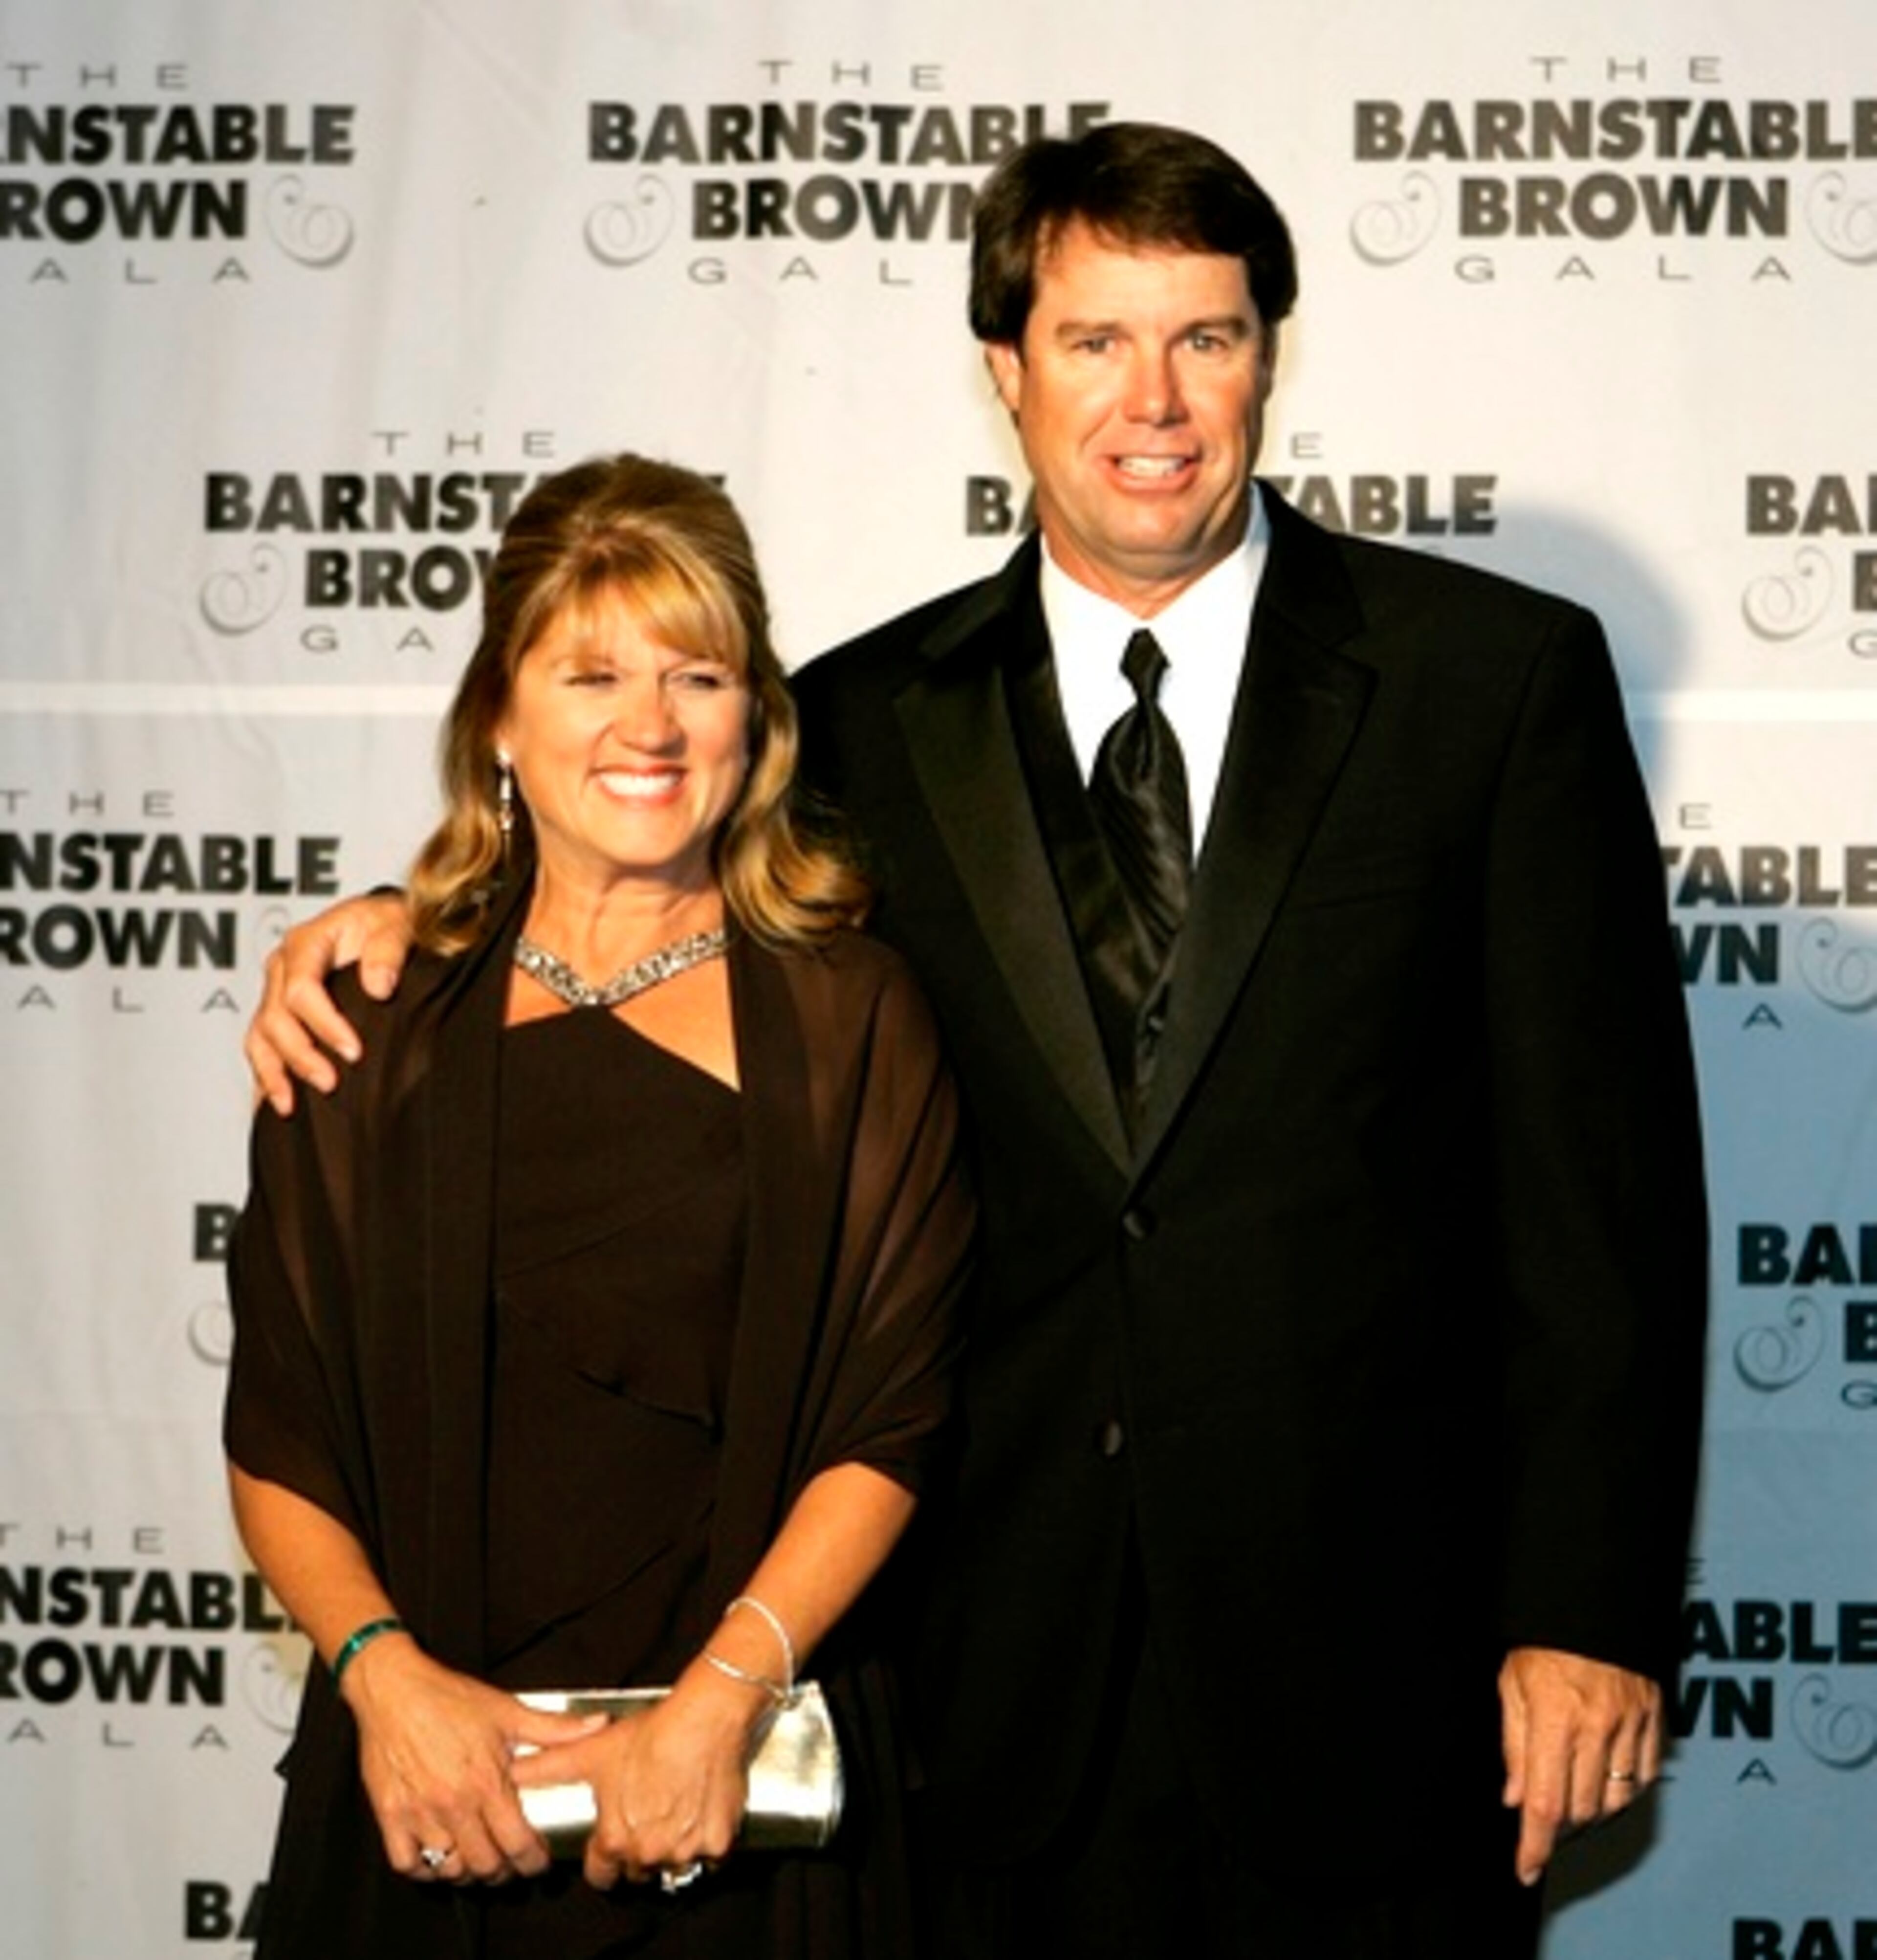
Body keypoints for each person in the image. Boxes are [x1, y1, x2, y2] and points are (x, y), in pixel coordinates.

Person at [243, 125, 1707, 1958]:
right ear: (1007, 370)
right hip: (981, 1710)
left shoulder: (1490, 684)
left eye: (1209, 336)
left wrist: (1585, 1610)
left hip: (1381, 1682)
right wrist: (401, 925)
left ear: (1273, 353)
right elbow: (636, 860)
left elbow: (1609, 1197)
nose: (1155, 399)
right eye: (1095, 340)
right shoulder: (859, 723)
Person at [224, 453, 973, 1960]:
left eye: (697, 673)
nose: (649, 725)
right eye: (591, 674)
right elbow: (280, 1427)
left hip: (738, 1810)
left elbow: (893, 1417)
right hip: (426, 1799)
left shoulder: (852, 1017)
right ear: (499, 712)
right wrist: (385, 1677)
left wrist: (718, 1707)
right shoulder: (368, 1021)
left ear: (752, 716)